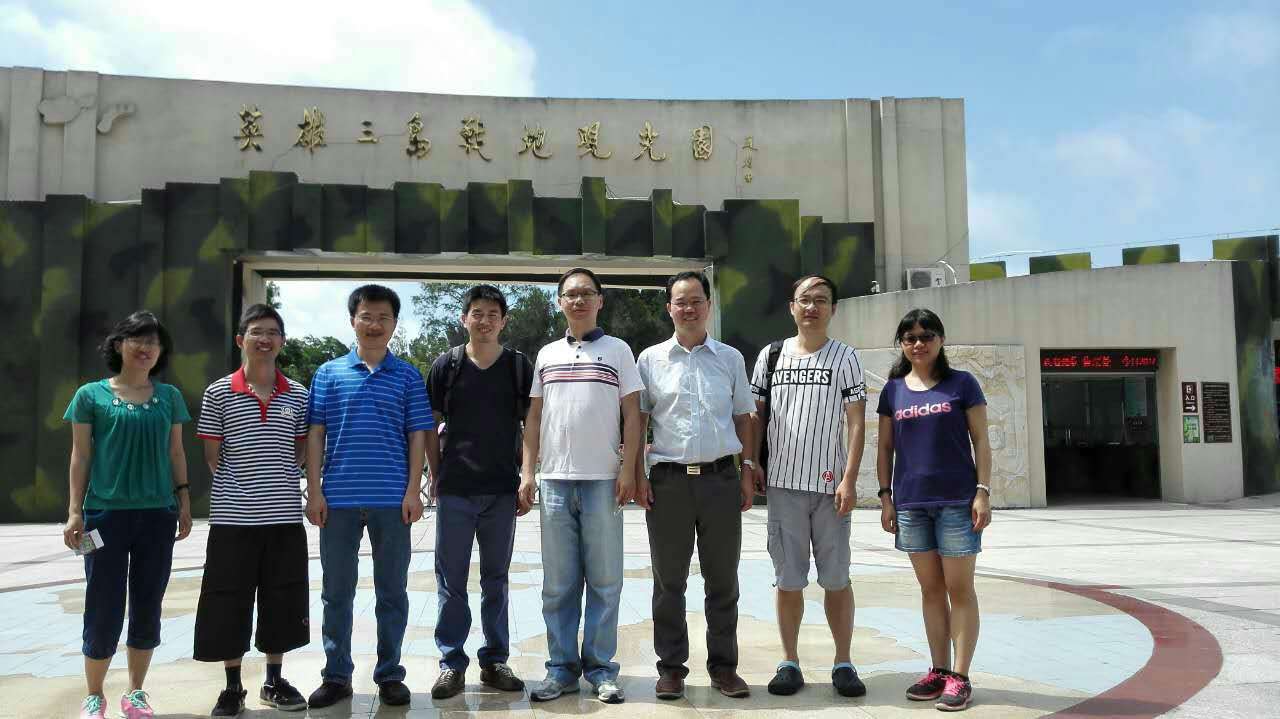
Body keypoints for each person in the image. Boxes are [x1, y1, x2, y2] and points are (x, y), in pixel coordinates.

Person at [304, 284, 436, 709]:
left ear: (395, 324)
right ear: (353, 321)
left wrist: (414, 490)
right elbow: (315, 434)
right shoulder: (328, 374)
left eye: (383, 318)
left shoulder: (408, 376)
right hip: (338, 500)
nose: (374, 324)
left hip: (391, 500)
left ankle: (390, 674)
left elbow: (418, 435)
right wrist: (314, 491)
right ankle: (336, 675)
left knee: (392, 591)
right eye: (367, 316)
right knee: (336, 592)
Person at [521, 268, 644, 704]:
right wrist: (528, 471)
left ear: (600, 301)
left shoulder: (619, 351)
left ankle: (601, 670)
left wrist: (627, 470)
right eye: (570, 294)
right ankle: (560, 670)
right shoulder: (547, 354)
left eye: (586, 293)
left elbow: (633, 415)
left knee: (605, 582)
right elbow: (534, 417)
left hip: (603, 482)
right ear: (560, 302)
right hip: (555, 481)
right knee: (558, 585)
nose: (578, 300)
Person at [61, 311, 193, 719]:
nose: (146, 347)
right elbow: (81, 456)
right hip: (104, 517)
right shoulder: (90, 395)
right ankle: (94, 695)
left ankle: (135, 692)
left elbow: (176, 452)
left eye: (153, 341)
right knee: (102, 601)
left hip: (157, 516)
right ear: (118, 344)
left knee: (148, 601)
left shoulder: (169, 397)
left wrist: (184, 501)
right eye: (138, 339)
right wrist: (74, 512)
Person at [634, 271, 757, 700]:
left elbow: (744, 416)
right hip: (668, 483)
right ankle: (671, 669)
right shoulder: (650, 359)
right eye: (680, 302)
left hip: (721, 480)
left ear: (709, 305)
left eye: (696, 301)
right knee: (669, 582)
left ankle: (724, 668)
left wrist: (747, 469)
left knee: (722, 580)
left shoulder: (730, 358)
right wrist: (637, 474)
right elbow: (639, 421)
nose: (688, 309)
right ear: (669, 307)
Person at [749, 274, 868, 698]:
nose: (812, 307)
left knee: (836, 579)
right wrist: (751, 462)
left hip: (830, 489)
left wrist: (849, 479)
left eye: (821, 300)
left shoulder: (845, 357)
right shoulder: (771, 356)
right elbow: (756, 415)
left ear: (833, 308)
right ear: (792, 306)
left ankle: (843, 662)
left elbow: (857, 422)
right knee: (788, 579)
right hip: (782, 486)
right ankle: (789, 662)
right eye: (805, 299)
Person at [193, 304, 310, 715]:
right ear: (241, 340)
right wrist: (244, 489)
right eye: (257, 332)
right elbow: (213, 456)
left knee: (283, 598)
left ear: (282, 341)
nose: (265, 339)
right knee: (228, 600)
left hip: (283, 518)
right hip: (233, 520)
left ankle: (274, 681)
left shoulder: (299, 395)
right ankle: (232, 687)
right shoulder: (218, 392)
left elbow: (300, 451)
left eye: (273, 332)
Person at [875, 308, 992, 713]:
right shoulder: (893, 390)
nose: (918, 343)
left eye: (926, 336)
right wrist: (886, 496)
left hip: (958, 502)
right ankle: (939, 670)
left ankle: (960, 677)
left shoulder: (963, 384)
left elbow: (981, 440)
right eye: (910, 337)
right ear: (902, 344)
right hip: (911, 504)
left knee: (960, 590)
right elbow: (885, 448)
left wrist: (982, 492)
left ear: (940, 340)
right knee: (930, 590)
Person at [424, 285, 533, 699]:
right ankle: (451, 663)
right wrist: (436, 474)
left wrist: (527, 475)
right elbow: (429, 424)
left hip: (501, 490)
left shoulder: (518, 367)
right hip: (456, 489)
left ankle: (494, 660)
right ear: (464, 318)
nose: (484, 320)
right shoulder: (447, 365)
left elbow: (531, 426)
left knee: (496, 579)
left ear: (503, 321)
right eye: (477, 313)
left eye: (492, 314)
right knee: (451, 581)